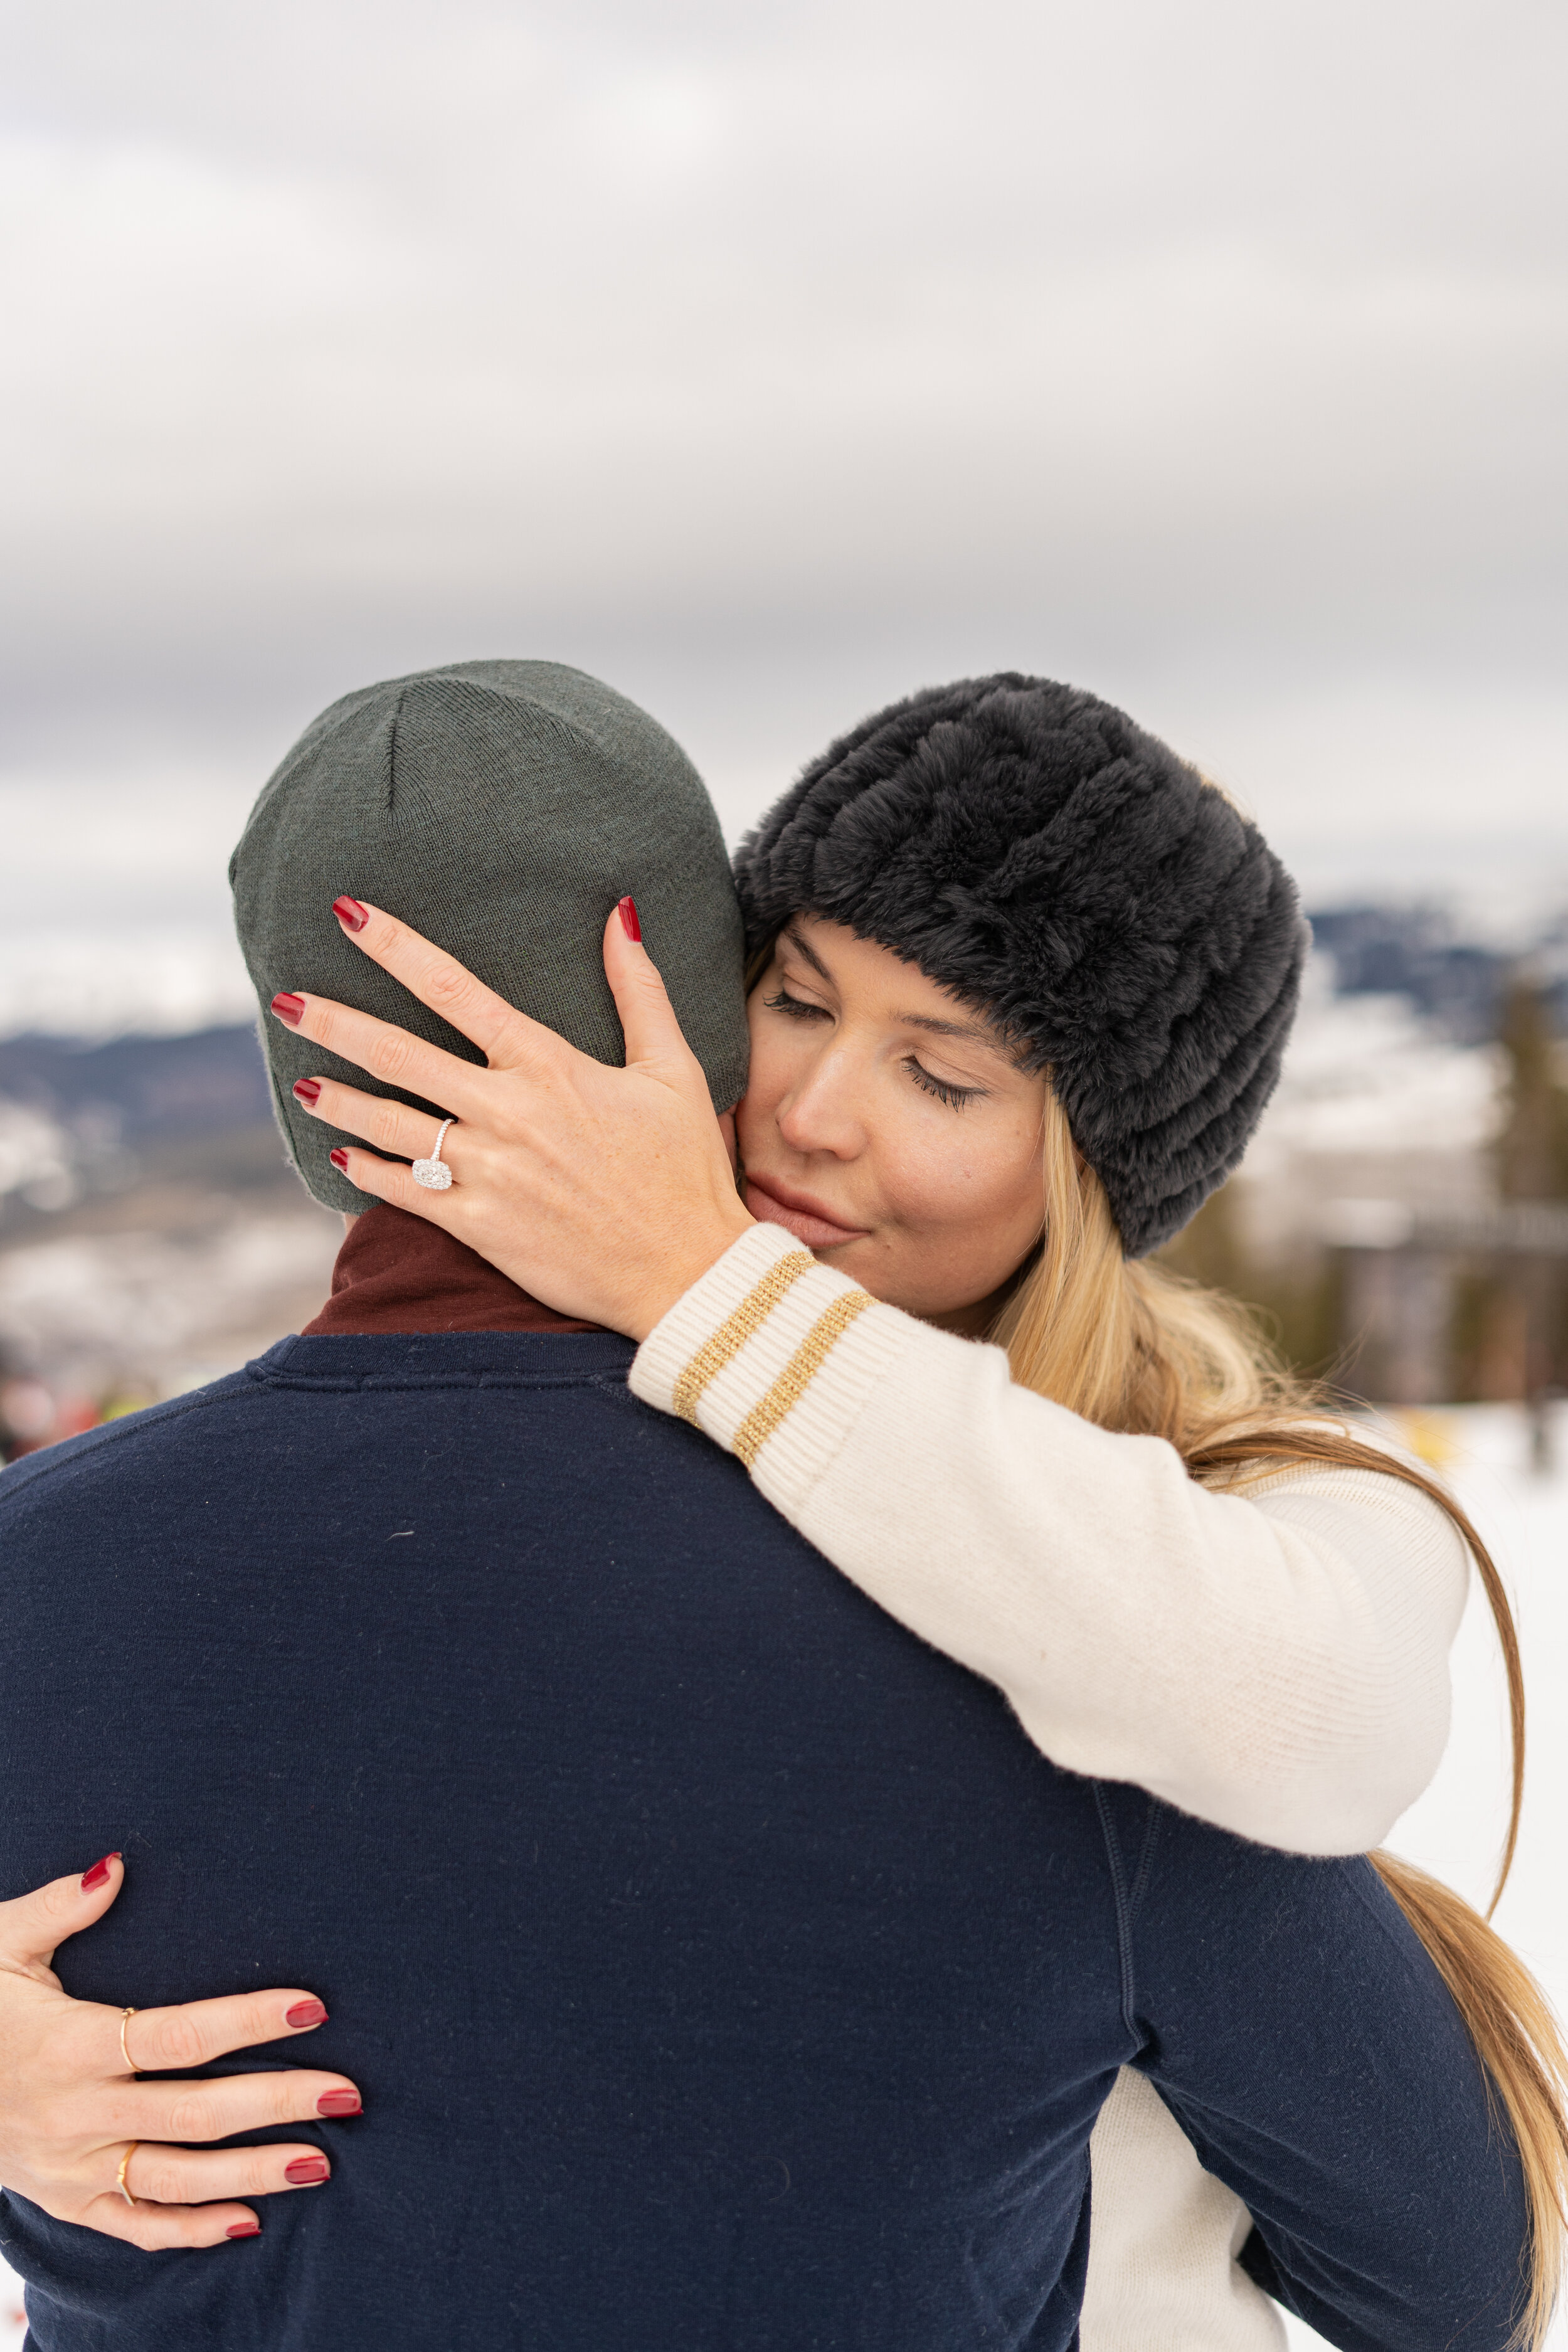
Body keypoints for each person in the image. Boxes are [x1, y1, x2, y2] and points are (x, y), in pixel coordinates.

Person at [0, 663, 1539, 2349]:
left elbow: (1290, 1709)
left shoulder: (1200, 1547)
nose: (808, 1115)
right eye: (793, 1003)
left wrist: (702, 1280)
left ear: (1094, 1183)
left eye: (942, 1082)